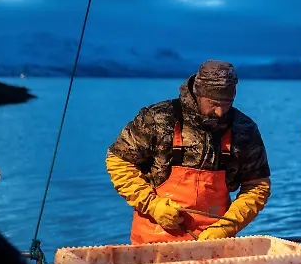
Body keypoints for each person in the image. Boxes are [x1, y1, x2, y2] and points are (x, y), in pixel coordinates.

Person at [106, 59, 271, 244]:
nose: (220, 112)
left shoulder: (244, 129)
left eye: (227, 104)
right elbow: (118, 161)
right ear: (198, 93)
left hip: (213, 243)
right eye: (214, 103)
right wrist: (152, 205)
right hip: (153, 241)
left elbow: (257, 185)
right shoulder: (158, 118)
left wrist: (228, 225)